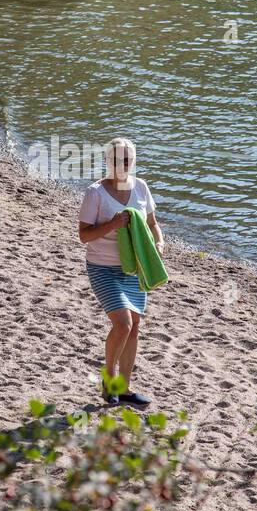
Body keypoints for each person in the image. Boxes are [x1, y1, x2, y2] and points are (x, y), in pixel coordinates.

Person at [78, 137, 165, 407]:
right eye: (117, 159)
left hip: (133, 268)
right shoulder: (95, 193)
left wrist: (159, 242)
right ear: (108, 161)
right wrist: (114, 223)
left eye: (127, 159)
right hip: (103, 267)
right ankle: (109, 379)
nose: (123, 164)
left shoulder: (141, 187)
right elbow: (84, 235)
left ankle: (124, 389)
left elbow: (152, 223)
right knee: (123, 324)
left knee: (135, 326)